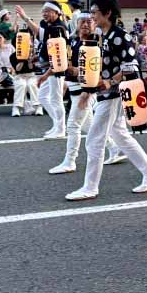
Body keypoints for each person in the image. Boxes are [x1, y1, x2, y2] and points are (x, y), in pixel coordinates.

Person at [65, 0, 147, 202]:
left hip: (115, 93)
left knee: (94, 140)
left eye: (95, 13)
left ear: (107, 13)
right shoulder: (101, 35)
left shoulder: (119, 35)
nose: (92, 17)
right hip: (105, 92)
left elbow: (131, 66)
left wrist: (108, 82)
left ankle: (90, 187)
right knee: (119, 135)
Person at [48, 13, 123, 174]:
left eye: (89, 21)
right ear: (76, 23)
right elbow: (66, 63)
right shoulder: (73, 41)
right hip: (74, 89)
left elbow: (93, 71)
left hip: (85, 91)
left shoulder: (96, 42)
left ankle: (70, 161)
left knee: (73, 126)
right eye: (82, 21)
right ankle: (115, 148)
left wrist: (86, 91)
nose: (85, 25)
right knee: (88, 126)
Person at [16, 2, 68, 139]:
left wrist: (25, 17)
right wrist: (36, 56)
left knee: (56, 99)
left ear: (57, 13)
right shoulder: (49, 25)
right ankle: (57, 124)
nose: (45, 13)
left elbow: (40, 33)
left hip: (56, 69)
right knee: (43, 97)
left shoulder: (58, 27)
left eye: (48, 11)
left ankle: (61, 129)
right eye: (43, 11)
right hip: (49, 68)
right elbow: (43, 41)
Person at [9, 28, 43, 117]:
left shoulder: (32, 53)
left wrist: (29, 61)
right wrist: (21, 59)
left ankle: (38, 107)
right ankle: (16, 108)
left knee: (32, 85)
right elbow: (18, 69)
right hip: (19, 76)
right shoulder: (13, 56)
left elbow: (32, 68)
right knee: (21, 85)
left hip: (31, 75)